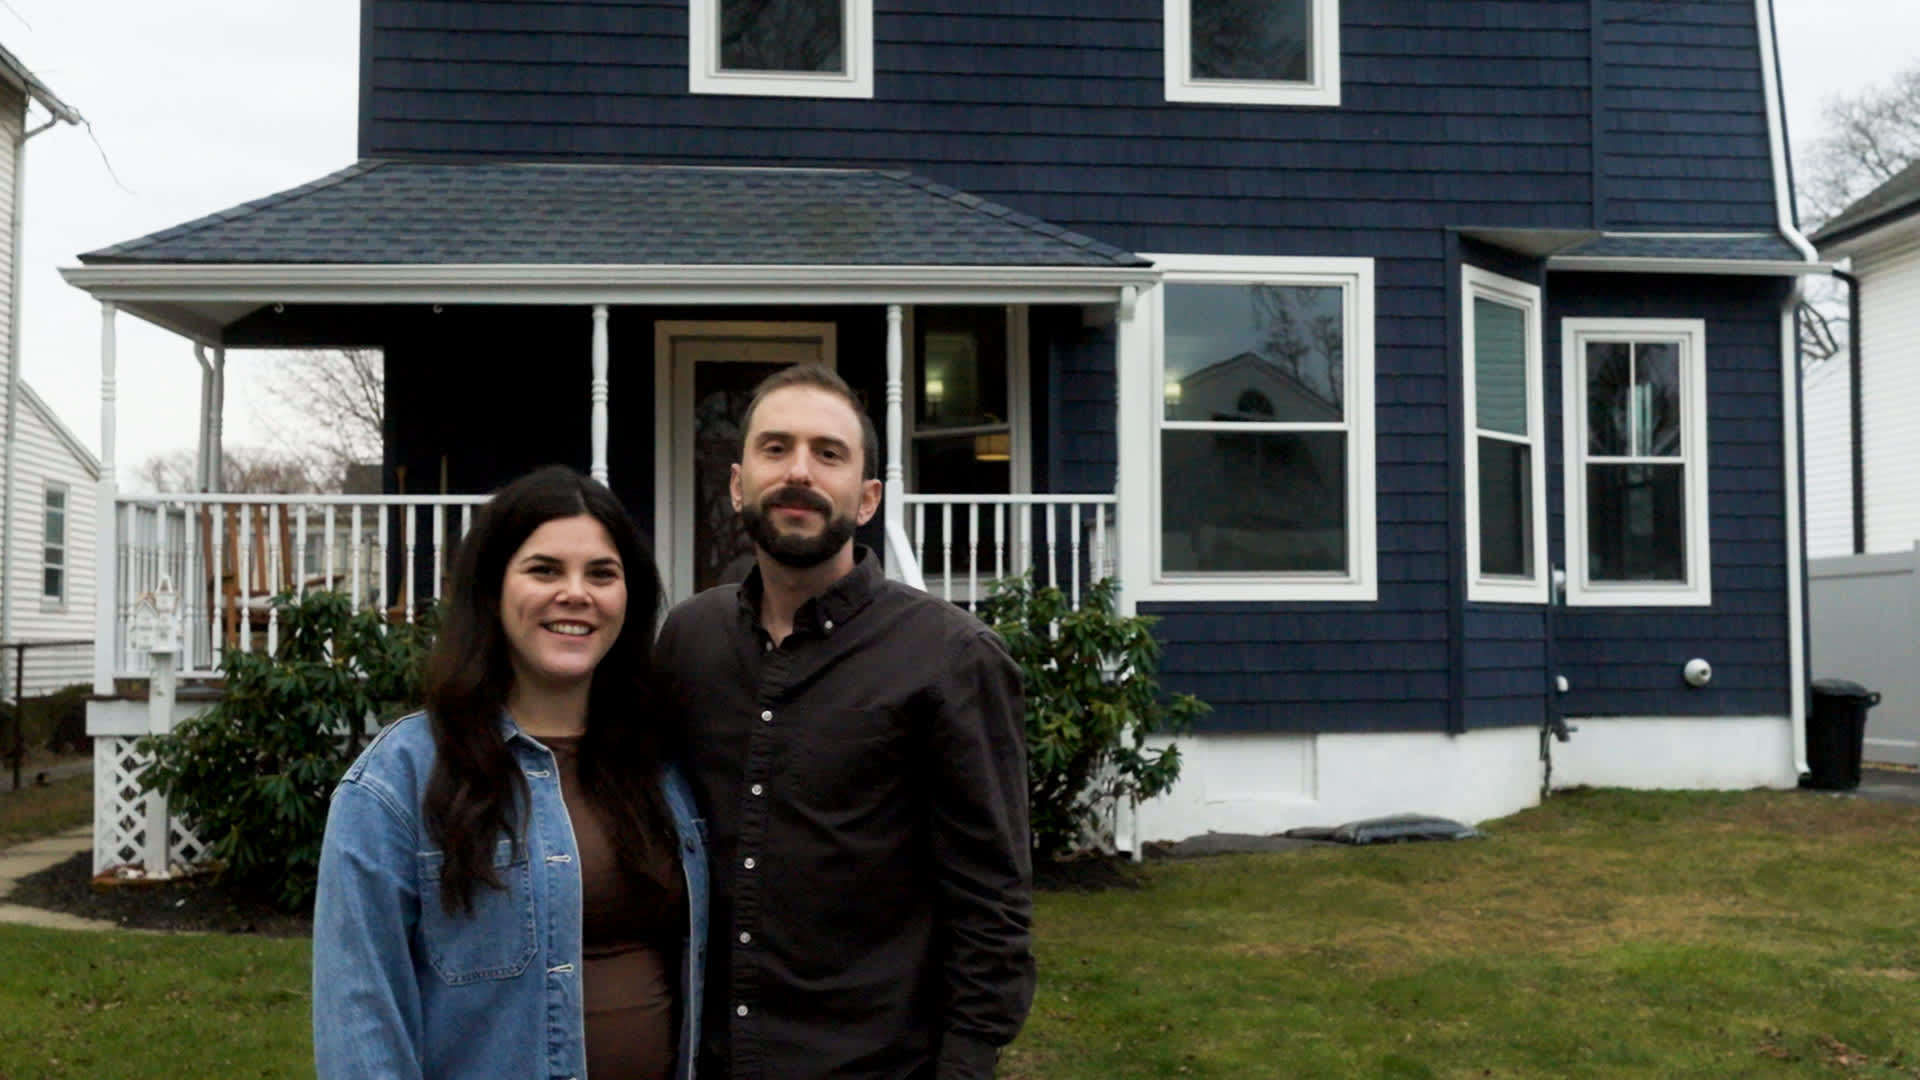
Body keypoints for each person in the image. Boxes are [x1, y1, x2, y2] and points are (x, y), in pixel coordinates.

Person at [654, 364, 1034, 1080]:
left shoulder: (950, 659)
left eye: (828, 453)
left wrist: (966, 1061)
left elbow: (991, 903)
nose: (799, 471)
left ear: (866, 499)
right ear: (738, 484)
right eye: (775, 448)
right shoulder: (690, 640)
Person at [312, 465, 708, 1080]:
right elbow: (361, 1019)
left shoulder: (662, 767)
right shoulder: (399, 783)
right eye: (544, 569)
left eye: (601, 573)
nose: (575, 593)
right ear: (493, 593)